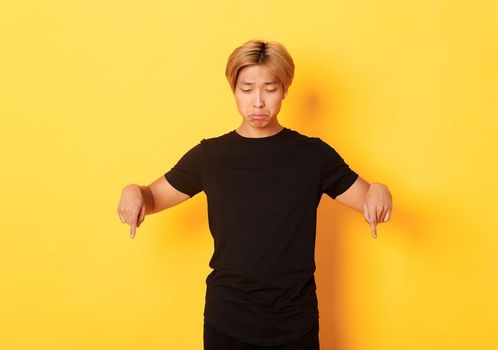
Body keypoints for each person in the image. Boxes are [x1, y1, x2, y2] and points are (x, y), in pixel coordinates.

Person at [115, 39, 393, 349]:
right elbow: (151, 197)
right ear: (233, 90)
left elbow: (369, 199)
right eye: (247, 89)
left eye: (269, 89)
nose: (258, 102)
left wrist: (379, 190)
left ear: (285, 89)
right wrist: (133, 191)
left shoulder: (313, 155)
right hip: (228, 318)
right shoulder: (210, 156)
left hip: (295, 320)